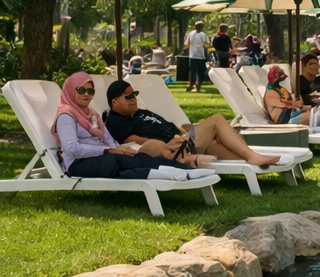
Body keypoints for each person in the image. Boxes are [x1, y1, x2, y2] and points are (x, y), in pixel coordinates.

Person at [51, 73, 215, 181]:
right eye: (81, 90)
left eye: (90, 90)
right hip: (78, 164)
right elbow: (71, 148)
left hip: (98, 158)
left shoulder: (90, 114)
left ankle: (179, 171)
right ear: (70, 91)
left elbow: (107, 138)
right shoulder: (66, 116)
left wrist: (120, 149)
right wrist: (108, 150)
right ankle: (174, 174)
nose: (86, 94)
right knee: (114, 161)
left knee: (136, 158)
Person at [105, 79, 281, 166]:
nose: (133, 99)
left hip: (182, 136)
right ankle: (252, 156)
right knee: (217, 120)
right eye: (128, 97)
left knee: (214, 144)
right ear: (114, 102)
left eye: (134, 95)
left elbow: (163, 123)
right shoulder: (116, 122)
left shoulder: (138, 113)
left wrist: (179, 129)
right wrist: (173, 140)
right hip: (174, 147)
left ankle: (252, 160)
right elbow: (137, 142)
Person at [185, 21, 209, 92]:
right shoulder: (203, 34)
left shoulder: (191, 34)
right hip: (201, 56)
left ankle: (191, 85)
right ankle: (198, 86)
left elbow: (187, 44)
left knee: (192, 71)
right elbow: (206, 44)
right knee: (200, 71)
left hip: (192, 55)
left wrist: (187, 48)